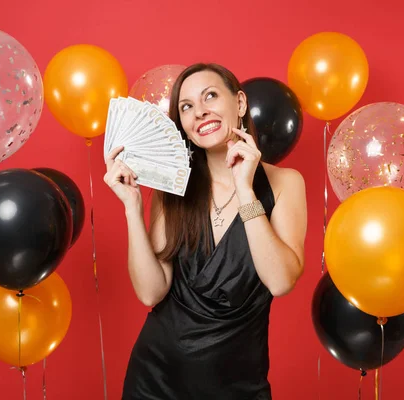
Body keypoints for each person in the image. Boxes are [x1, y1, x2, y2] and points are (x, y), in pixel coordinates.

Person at [103, 63, 307, 400]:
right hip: (155, 380)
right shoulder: (173, 187)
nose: (200, 112)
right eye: (186, 107)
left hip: (237, 384)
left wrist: (245, 190)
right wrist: (131, 207)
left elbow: (281, 281)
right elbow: (150, 293)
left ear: (239, 104)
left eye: (210, 96)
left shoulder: (285, 183)